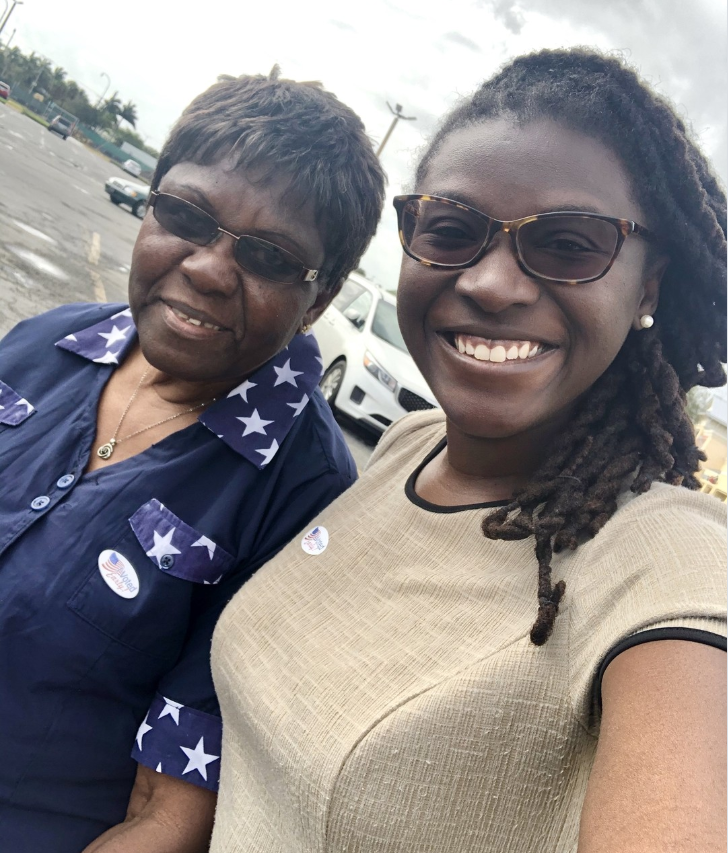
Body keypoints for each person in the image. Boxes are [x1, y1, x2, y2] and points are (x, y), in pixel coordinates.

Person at [209, 49, 727, 853]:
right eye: (450, 230)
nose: (491, 283)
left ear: (649, 285)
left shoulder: (666, 562)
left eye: (567, 244)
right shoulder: (405, 449)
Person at [0, 68, 384, 852]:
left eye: (271, 257)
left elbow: (166, 816)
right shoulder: (44, 346)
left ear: (319, 298)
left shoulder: (302, 499)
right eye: (185, 215)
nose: (209, 267)